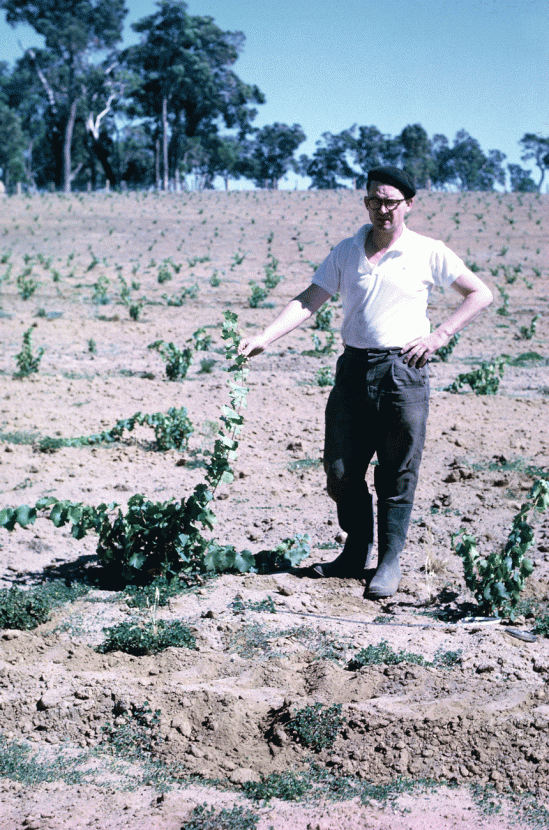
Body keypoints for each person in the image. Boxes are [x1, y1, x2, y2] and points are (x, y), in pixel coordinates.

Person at [239, 166, 493, 598]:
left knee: (396, 473)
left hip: (403, 372)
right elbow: (309, 299)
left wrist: (439, 336)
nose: (382, 209)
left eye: (391, 201)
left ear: (408, 205)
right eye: (375, 200)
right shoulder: (346, 250)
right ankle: (356, 550)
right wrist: (264, 337)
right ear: (366, 203)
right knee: (340, 470)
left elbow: (480, 293)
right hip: (353, 371)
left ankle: (388, 562)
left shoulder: (428, 251)